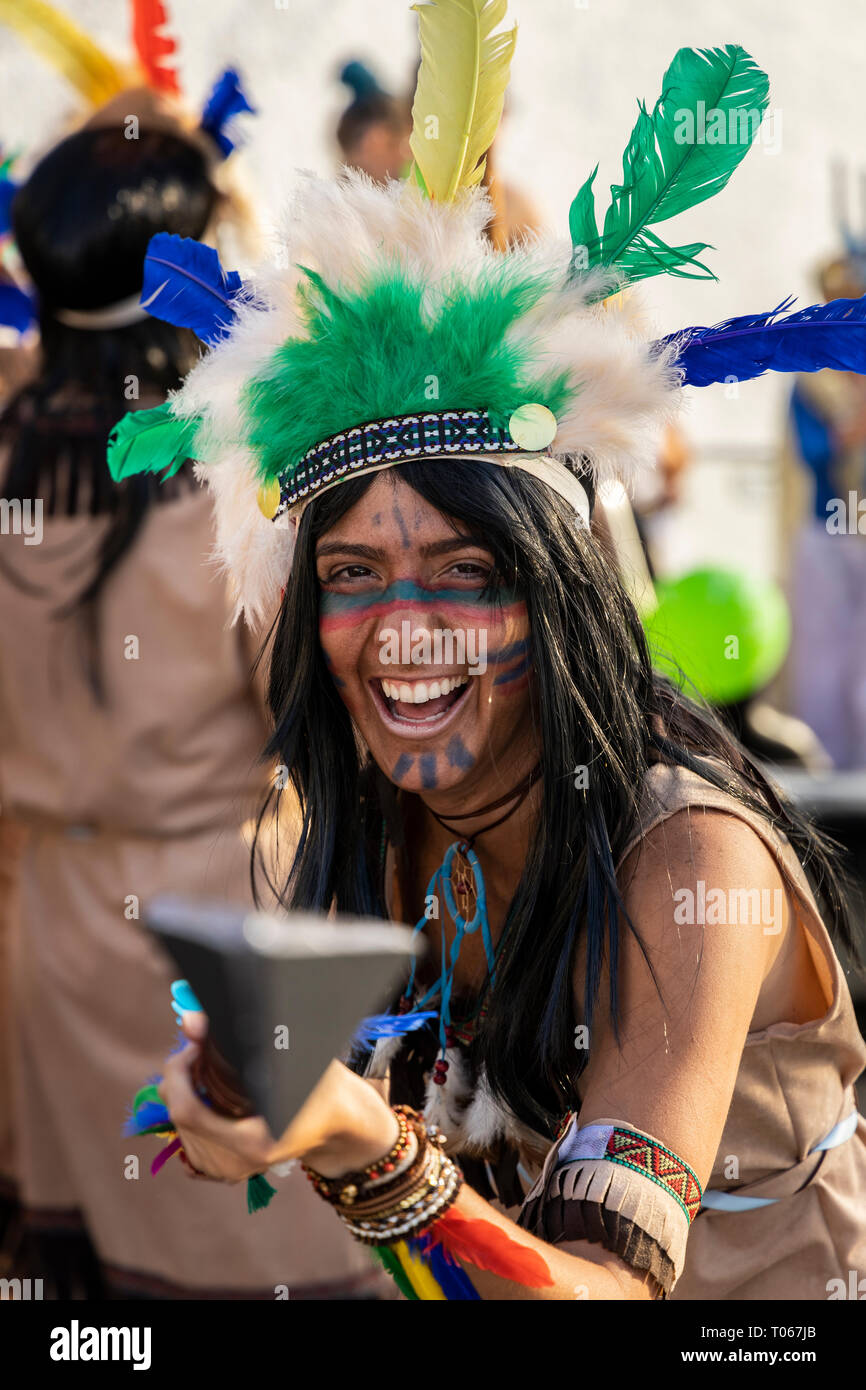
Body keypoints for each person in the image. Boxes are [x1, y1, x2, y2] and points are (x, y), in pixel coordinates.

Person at [116, 5, 866, 1300]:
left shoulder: (692, 860)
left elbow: (603, 1289)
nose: (403, 626)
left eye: (466, 572)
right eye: (351, 575)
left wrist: (360, 1141)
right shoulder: (358, 815)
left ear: (561, 592)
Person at [0, 81, 384, 1300]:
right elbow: (332, 723)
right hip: (212, 944)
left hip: (49, 930)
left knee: (97, 1292)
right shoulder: (227, 483)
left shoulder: (13, 437)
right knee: (268, 1260)